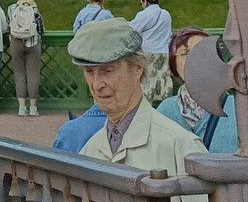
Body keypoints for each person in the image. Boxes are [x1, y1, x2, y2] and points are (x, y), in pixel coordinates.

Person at [51, 19, 204, 198]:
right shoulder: (90, 150)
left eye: (108, 70)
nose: (96, 84)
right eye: (89, 72)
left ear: (137, 68)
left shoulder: (181, 147)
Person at [154, 27, 237, 154]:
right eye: (184, 53)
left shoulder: (238, 109)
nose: (194, 59)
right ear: (173, 63)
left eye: (203, 52)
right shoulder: (164, 112)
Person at [130, 0, 175, 105]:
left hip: (148, 52)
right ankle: (165, 105)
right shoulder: (166, 14)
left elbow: (131, 30)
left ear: (145, 2)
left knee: (147, 80)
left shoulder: (143, 14)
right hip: (164, 52)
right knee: (163, 79)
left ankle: (147, 106)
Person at [7, 0, 46, 117]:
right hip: (33, 43)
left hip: (16, 42)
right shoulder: (34, 9)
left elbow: (8, 26)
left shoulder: (12, 9)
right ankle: (33, 108)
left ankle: (22, 107)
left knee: (19, 74)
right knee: (33, 74)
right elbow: (41, 29)